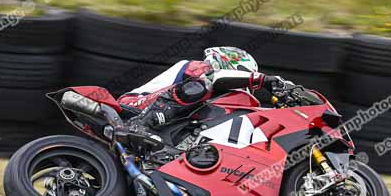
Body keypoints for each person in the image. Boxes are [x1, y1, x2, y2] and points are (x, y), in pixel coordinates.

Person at [116, 46, 285, 137]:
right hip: (134, 106)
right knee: (201, 85)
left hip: (169, 119)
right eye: (244, 74)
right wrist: (263, 79)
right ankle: (139, 125)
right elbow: (213, 77)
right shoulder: (199, 68)